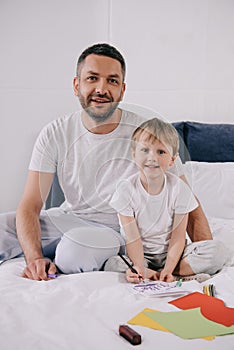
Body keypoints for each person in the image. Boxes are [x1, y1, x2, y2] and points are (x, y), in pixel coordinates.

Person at [0, 43, 213, 280]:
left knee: (73, 253)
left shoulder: (146, 132)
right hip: (71, 218)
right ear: (76, 85)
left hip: (123, 227)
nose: (102, 88)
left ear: (122, 90)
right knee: (3, 227)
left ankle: (113, 258)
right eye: (92, 78)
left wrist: (201, 252)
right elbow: (30, 205)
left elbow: (187, 199)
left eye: (112, 81)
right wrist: (34, 259)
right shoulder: (55, 132)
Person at [105, 118, 227, 283]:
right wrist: (139, 266)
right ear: (134, 154)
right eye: (145, 150)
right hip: (141, 254)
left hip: (174, 254)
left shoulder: (180, 189)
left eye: (160, 152)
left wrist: (169, 267)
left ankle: (165, 274)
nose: (152, 157)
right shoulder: (126, 190)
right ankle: (162, 274)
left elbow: (178, 236)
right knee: (113, 264)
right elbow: (132, 237)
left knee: (217, 252)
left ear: (172, 159)